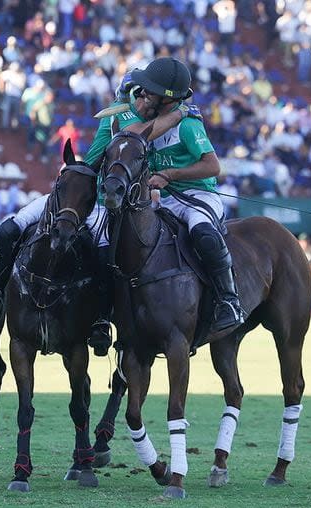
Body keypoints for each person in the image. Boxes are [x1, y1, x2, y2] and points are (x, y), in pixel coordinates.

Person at [0, 56, 204, 354]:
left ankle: (101, 320)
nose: (148, 99)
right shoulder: (123, 117)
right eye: (143, 93)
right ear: (135, 93)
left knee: (106, 256)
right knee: (8, 230)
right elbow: (156, 126)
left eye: (150, 95)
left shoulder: (142, 119)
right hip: (80, 193)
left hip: (106, 202)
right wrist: (182, 110)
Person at [121, 56, 245, 332]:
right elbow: (129, 134)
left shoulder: (188, 126)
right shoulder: (151, 125)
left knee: (202, 232)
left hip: (199, 197)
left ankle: (229, 299)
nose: (144, 93)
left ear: (166, 98)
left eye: (149, 90)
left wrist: (170, 175)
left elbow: (213, 166)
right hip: (167, 201)